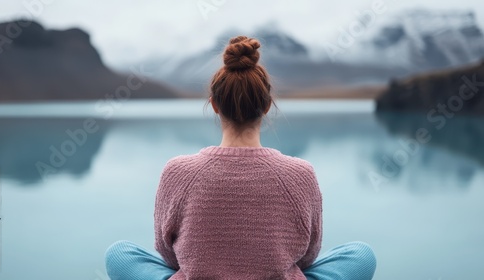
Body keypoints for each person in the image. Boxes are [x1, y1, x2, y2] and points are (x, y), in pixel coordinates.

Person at [105, 36, 376, 280]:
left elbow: (168, 255)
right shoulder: (300, 173)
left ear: (214, 104)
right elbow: (307, 256)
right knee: (361, 255)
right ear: (267, 106)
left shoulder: (178, 171)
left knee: (119, 254)